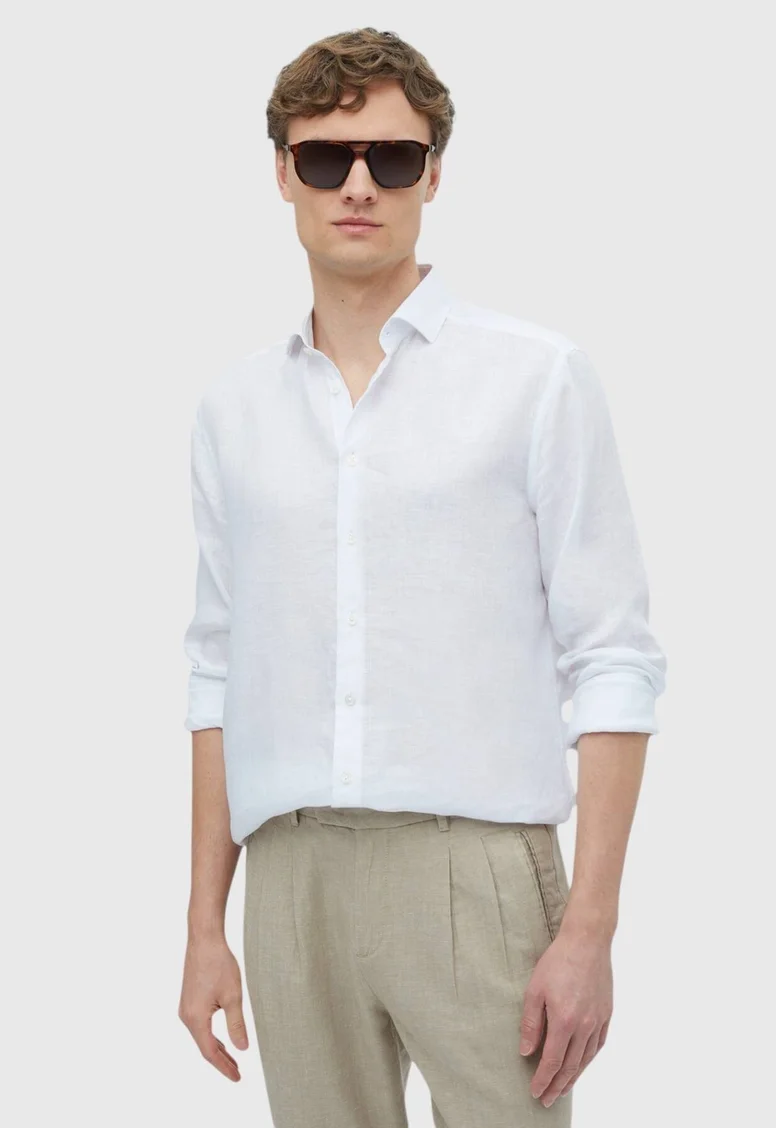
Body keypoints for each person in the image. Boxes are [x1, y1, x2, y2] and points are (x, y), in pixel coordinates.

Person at [177, 26, 667, 1128]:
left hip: (476, 870)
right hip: (290, 873)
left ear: (432, 175)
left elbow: (614, 660)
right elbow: (215, 670)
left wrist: (589, 929)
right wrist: (206, 925)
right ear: (283, 173)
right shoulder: (232, 413)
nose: (358, 186)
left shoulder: (534, 378)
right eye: (325, 158)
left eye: (392, 158)